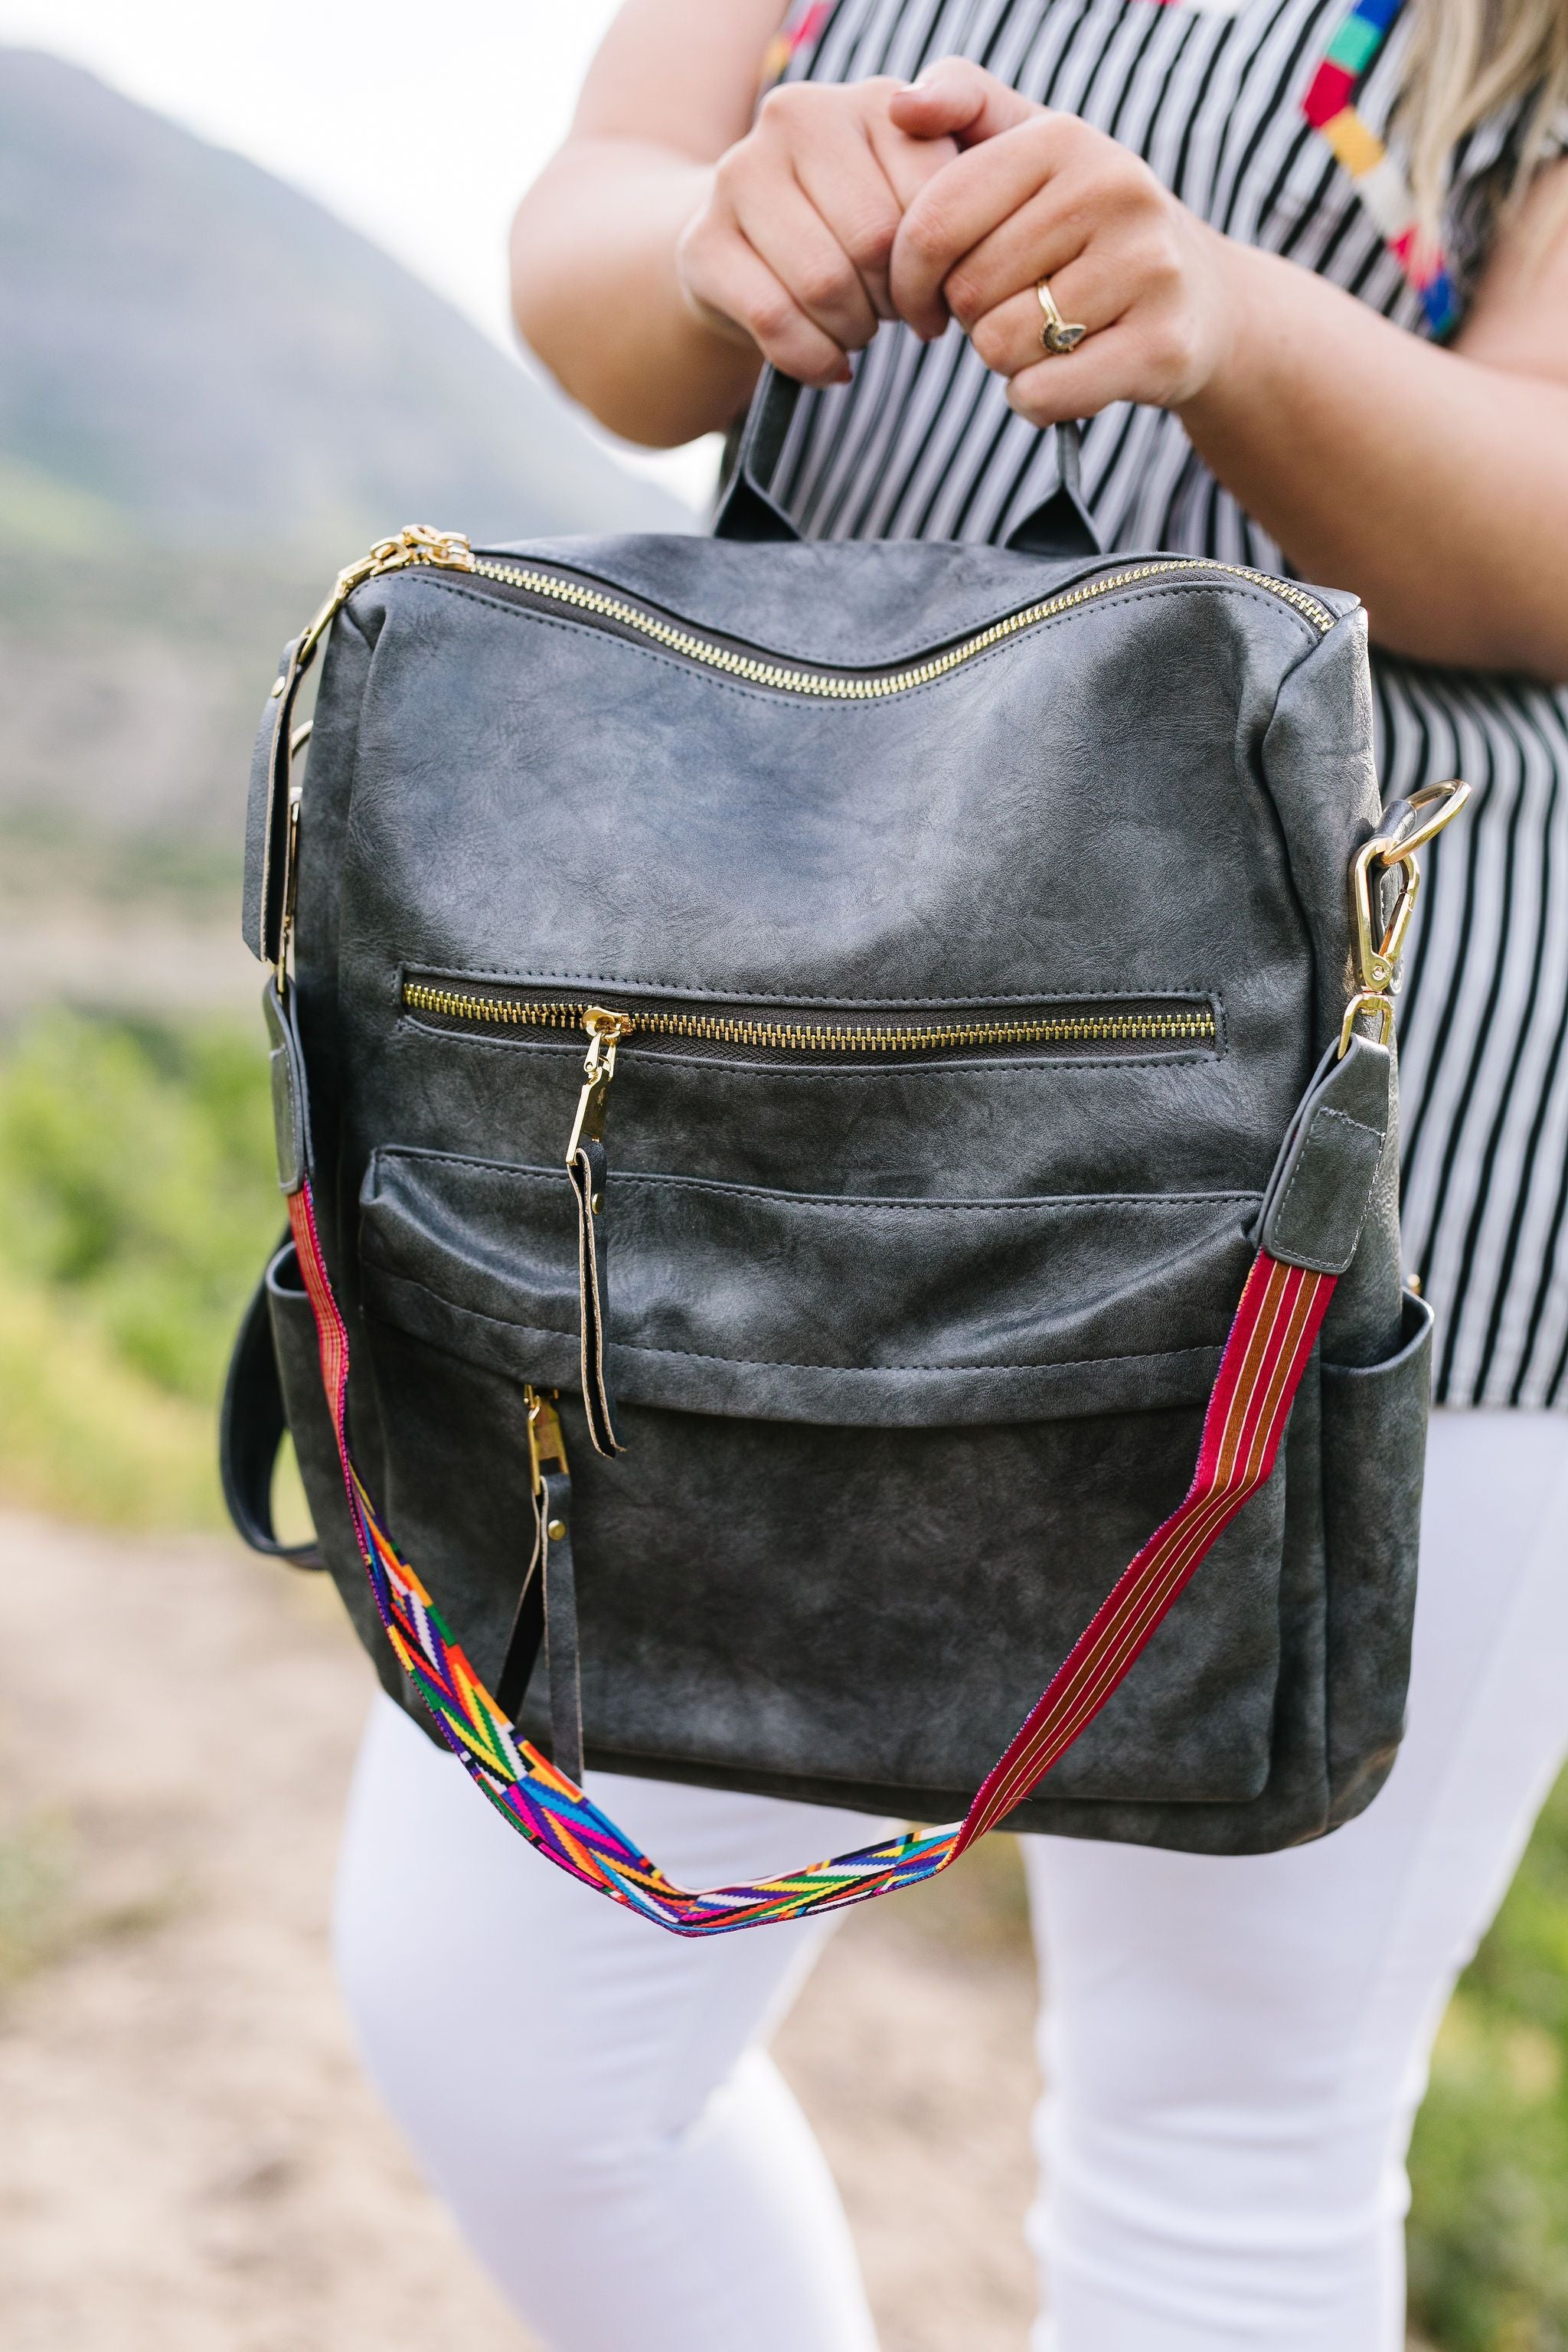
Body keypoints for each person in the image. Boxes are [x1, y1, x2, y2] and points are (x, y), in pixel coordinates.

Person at [332, 4, 1568, 2345]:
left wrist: (1225, 317)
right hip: (787, 1099)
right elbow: (593, 233)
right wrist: (710, 238)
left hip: (1382, 1163)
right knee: (501, 2025)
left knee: (1233, 2126)